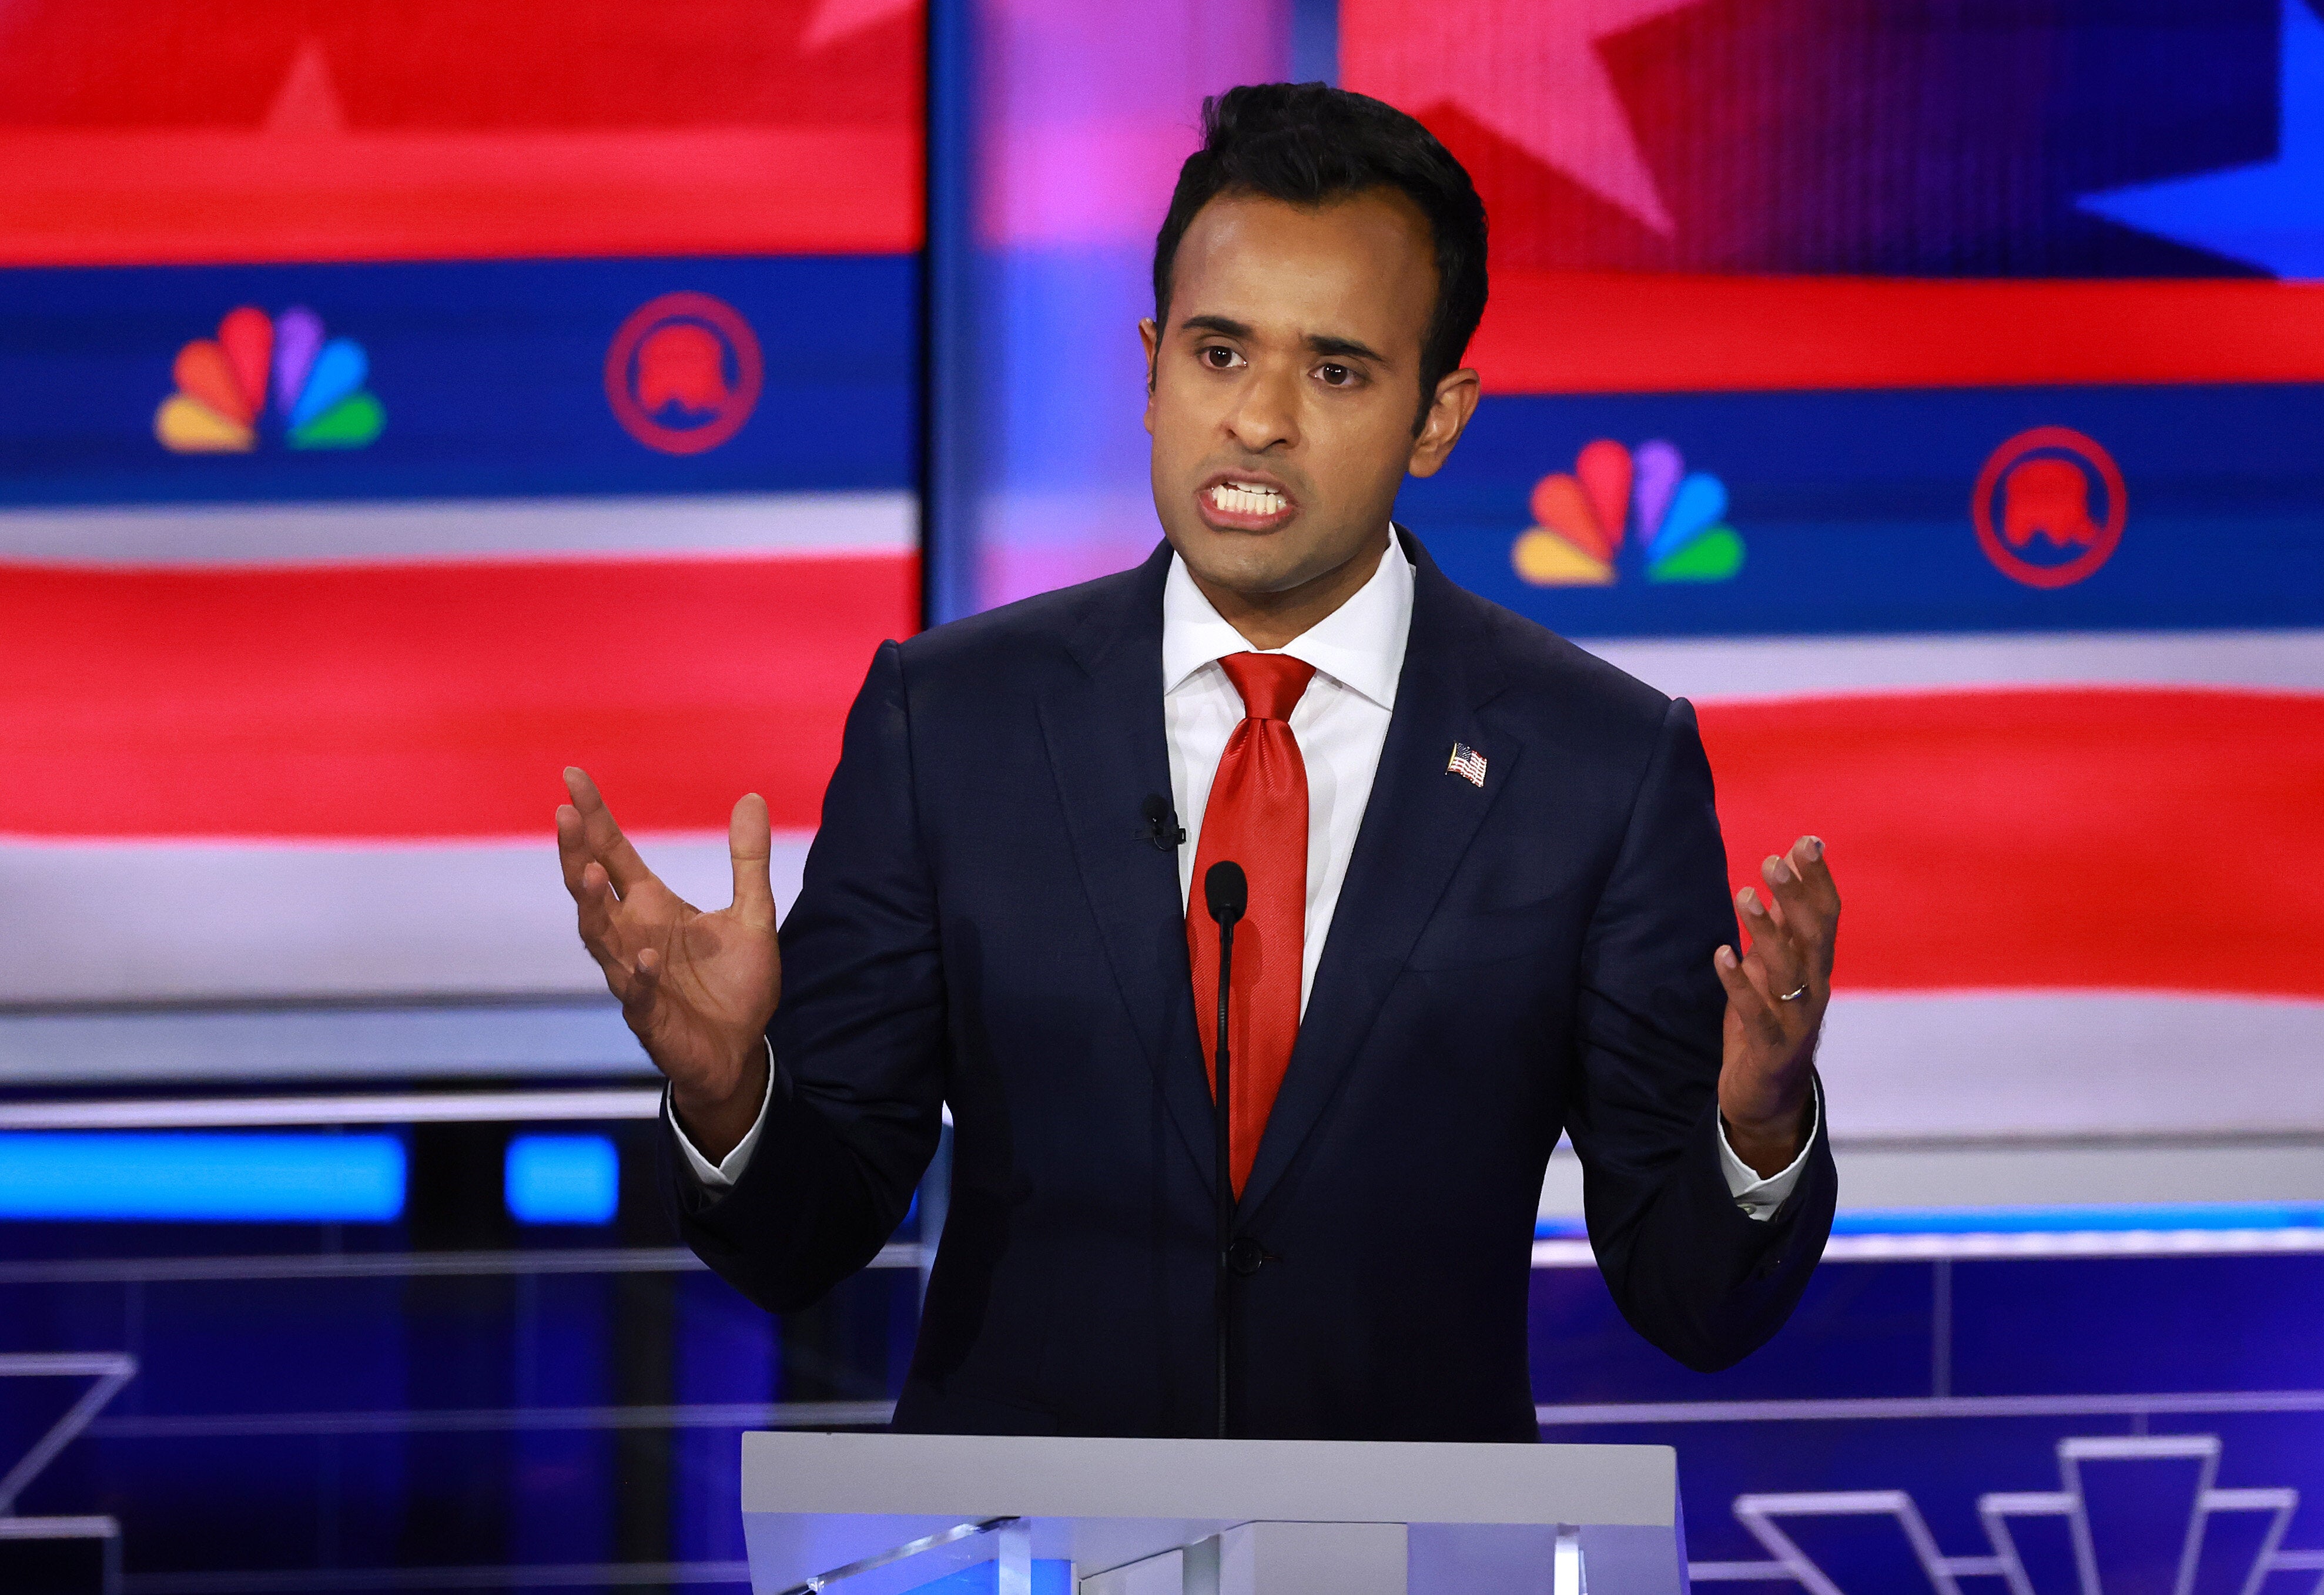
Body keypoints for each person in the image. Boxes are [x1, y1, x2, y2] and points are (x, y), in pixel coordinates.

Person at [555, 83, 1840, 1441]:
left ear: (1438, 417)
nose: (1259, 419)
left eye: (1335, 371)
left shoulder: (1599, 765)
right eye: (1219, 353)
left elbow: (1693, 1297)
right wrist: (731, 1094)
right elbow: (805, 1236)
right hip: (1031, 1529)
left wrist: (1757, 1126)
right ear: (1153, 368)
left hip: (1407, 1533)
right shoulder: (952, 720)